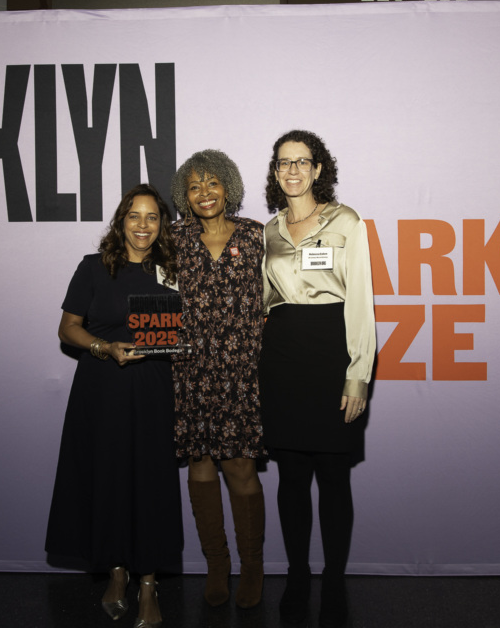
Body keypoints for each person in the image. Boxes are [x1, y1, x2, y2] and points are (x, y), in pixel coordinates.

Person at [45, 184, 183, 628]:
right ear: (120, 222)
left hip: (152, 389)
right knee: (107, 481)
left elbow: (185, 327)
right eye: (134, 216)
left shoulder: (173, 270)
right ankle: (116, 574)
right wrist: (105, 346)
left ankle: (148, 583)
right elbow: (69, 328)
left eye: (152, 218)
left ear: (162, 225)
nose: (143, 225)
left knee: (149, 485)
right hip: (101, 387)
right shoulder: (93, 268)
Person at [258, 130, 376, 628]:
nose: (293, 170)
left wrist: (359, 374)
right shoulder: (267, 230)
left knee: (333, 480)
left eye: (302, 162)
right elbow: (264, 302)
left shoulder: (346, 221)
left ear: (318, 168)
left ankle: (332, 580)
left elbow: (362, 301)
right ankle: (299, 574)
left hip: (332, 353)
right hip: (282, 359)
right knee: (290, 480)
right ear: (276, 170)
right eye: (284, 163)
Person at [169, 149, 267, 609]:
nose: (204, 193)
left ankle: (252, 567)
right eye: (194, 186)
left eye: (212, 183)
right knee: (201, 467)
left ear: (228, 186)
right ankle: (216, 565)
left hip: (241, 372)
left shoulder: (255, 236)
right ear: (183, 196)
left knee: (241, 467)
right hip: (189, 371)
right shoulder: (173, 240)